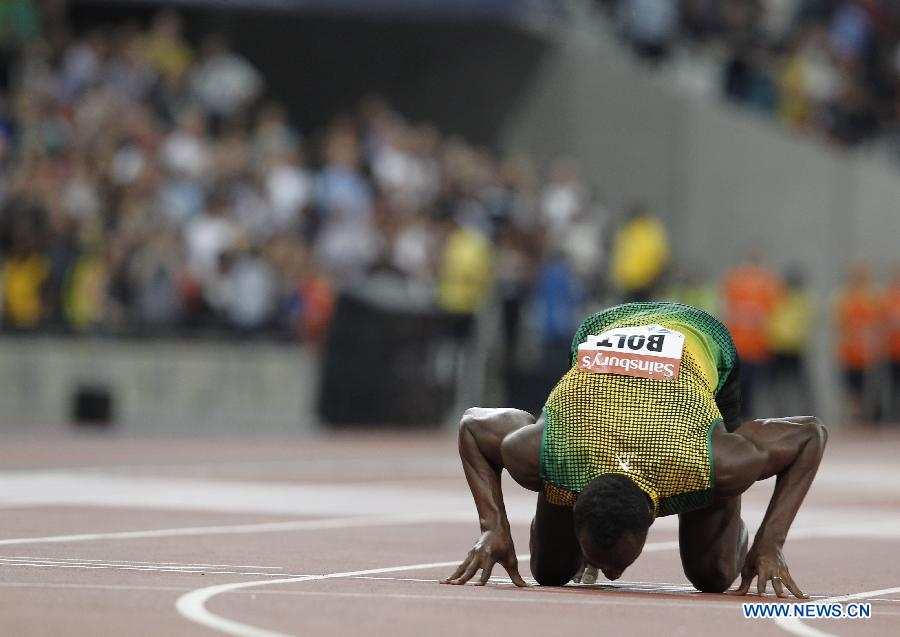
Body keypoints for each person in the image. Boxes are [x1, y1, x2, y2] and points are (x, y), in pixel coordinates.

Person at [442, 302, 826, 597]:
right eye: (603, 560)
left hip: (701, 341)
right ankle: (566, 518)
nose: (612, 574)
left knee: (712, 574)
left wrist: (769, 543)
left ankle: (726, 519)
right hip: (599, 338)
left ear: (652, 517)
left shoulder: (707, 462)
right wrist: (493, 528)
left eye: (617, 562)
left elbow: (809, 435)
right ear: (578, 503)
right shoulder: (549, 451)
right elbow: (473, 426)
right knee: (549, 570)